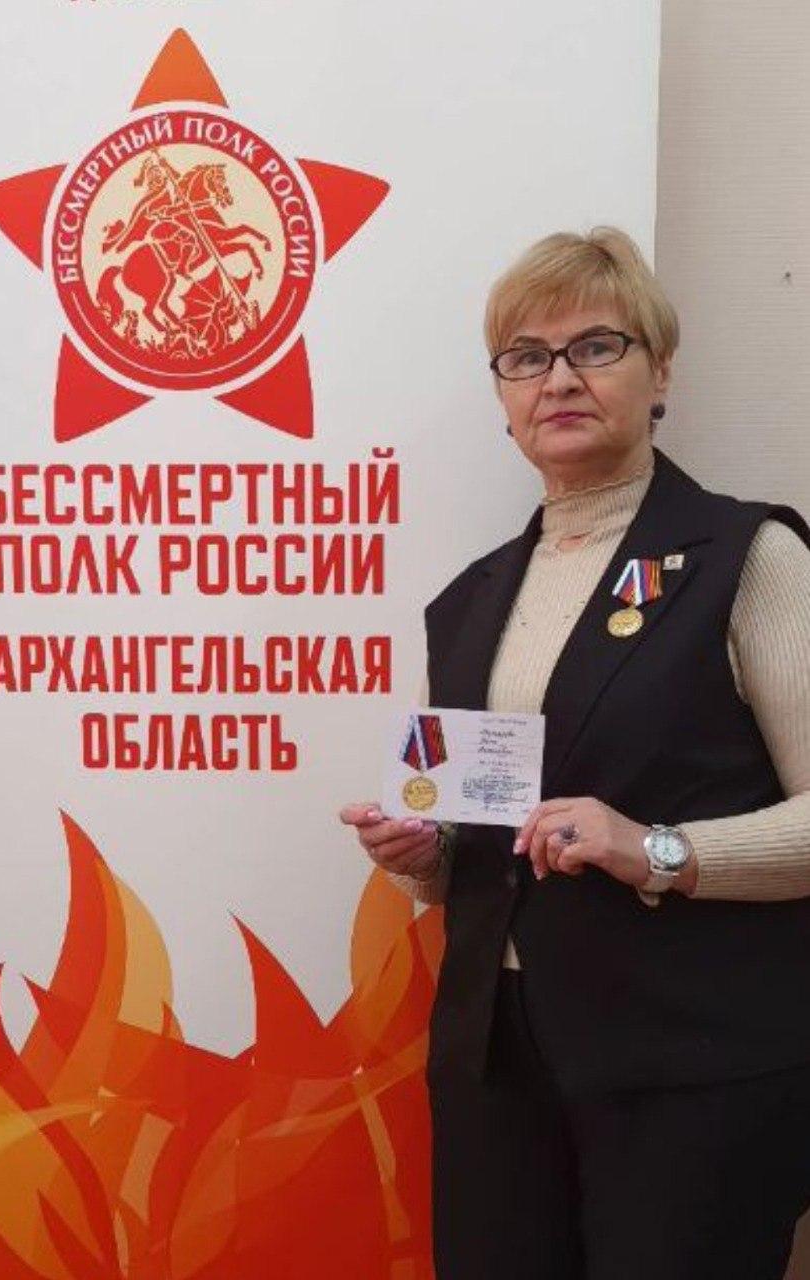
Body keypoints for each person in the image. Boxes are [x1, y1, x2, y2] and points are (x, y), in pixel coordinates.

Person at [339, 227, 810, 1280]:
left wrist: (655, 848)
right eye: (525, 356)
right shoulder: (466, 601)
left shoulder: (749, 556)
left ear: (659, 374)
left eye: (596, 346)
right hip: (496, 1056)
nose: (557, 378)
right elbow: (478, 838)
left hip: (691, 1065)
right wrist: (420, 855)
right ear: (503, 399)